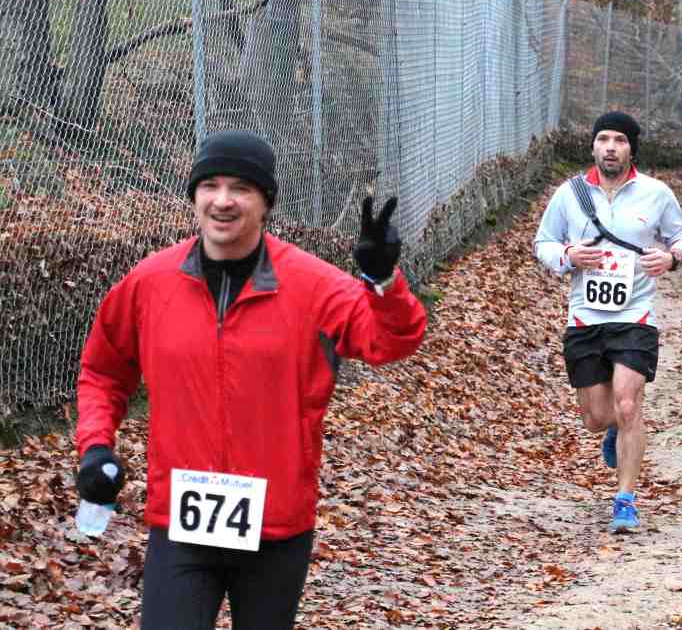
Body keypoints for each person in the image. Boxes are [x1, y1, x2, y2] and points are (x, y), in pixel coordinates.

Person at [74, 130, 428, 629]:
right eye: (210, 186)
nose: (222, 200)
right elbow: (103, 371)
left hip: (276, 527)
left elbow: (392, 341)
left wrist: (383, 281)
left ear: (266, 204)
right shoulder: (150, 282)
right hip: (182, 523)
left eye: (240, 188)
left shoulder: (313, 285)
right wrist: (95, 445)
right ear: (194, 196)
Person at [534, 113, 682, 533]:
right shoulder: (569, 194)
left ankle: (625, 500)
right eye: (603, 139)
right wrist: (567, 256)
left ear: (631, 148)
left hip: (634, 316)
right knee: (596, 417)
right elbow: (543, 242)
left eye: (619, 140)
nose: (610, 146)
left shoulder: (655, 193)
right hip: (585, 317)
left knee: (627, 404)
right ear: (592, 146)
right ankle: (614, 431)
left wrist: (671, 258)